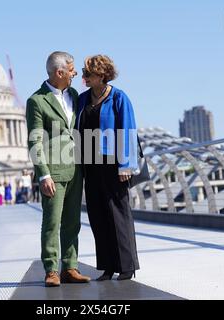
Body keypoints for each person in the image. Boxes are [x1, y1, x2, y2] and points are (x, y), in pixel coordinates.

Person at [26, 51, 90, 287]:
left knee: (73, 221)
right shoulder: (37, 100)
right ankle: (51, 270)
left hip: (76, 169)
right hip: (53, 170)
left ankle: (70, 267)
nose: (75, 74)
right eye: (71, 70)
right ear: (59, 72)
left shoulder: (73, 94)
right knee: (52, 222)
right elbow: (34, 139)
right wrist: (43, 173)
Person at [77, 55, 140, 281]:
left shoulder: (118, 98)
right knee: (97, 214)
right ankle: (107, 266)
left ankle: (126, 266)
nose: (83, 78)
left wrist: (126, 165)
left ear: (101, 75)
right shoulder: (83, 100)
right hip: (90, 164)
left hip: (114, 164)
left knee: (118, 214)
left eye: (88, 74)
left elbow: (128, 131)